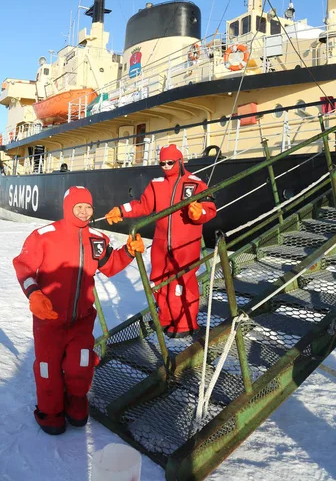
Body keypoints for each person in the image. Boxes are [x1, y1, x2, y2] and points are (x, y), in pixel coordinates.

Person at [13, 186, 144, 435]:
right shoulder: (44, 235)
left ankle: (76, 403)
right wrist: (35, 294)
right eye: (78, 207)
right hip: (48, 320)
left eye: (88, 207)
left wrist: (127, 251)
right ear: (68, 207)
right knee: (47, 368)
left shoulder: (97, 238)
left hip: (81, 320)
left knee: (80, 366)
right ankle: (49, 412)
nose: (84, 212)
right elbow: (24, 267)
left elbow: (110, 265)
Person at [105, 144, 216, 338]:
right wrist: (122, 210)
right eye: (162, 163)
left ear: (180, 161)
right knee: (158, 280)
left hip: (186, 245)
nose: (165, 166)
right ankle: (165, 317)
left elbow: (210, 208)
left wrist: (200, 213)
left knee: (182, 283)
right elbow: (143, 206)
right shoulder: (156, 184)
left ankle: (185, 324)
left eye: (170, 162)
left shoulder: (195, 183)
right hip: (161, 244)